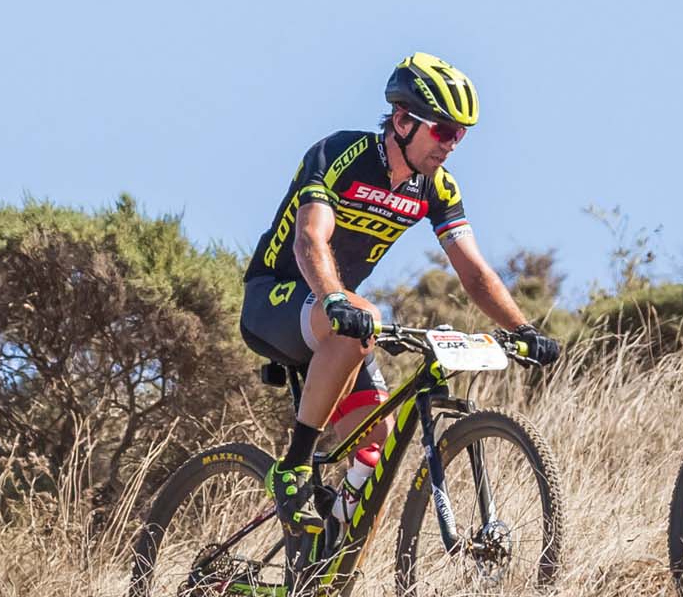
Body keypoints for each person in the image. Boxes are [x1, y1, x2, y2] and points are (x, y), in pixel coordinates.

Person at [239, 52, 560, 536]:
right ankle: (295, 467)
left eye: (461, 135)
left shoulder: (436, 187)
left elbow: (473, 271)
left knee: (375, 460)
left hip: (342, 322)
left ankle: (317, 590)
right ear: (404, 120)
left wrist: (522, 328)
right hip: (276, 301)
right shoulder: (340, 154)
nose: (452, 145)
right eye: (444, 131)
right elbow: (311, 239)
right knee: (360, 315)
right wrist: (334, 300)